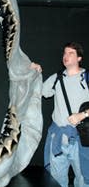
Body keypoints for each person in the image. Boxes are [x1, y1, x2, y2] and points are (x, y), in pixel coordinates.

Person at [31, 42, 89, 187]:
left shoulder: (87, 78)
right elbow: (39, 92)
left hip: (81, 139)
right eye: (64, 53)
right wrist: (35, 72)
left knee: (83, 181)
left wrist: (82, 115)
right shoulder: (56, 78)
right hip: (58, 138)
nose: (66, 56)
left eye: (71, 53)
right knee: (56, 181)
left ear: (79, 58)